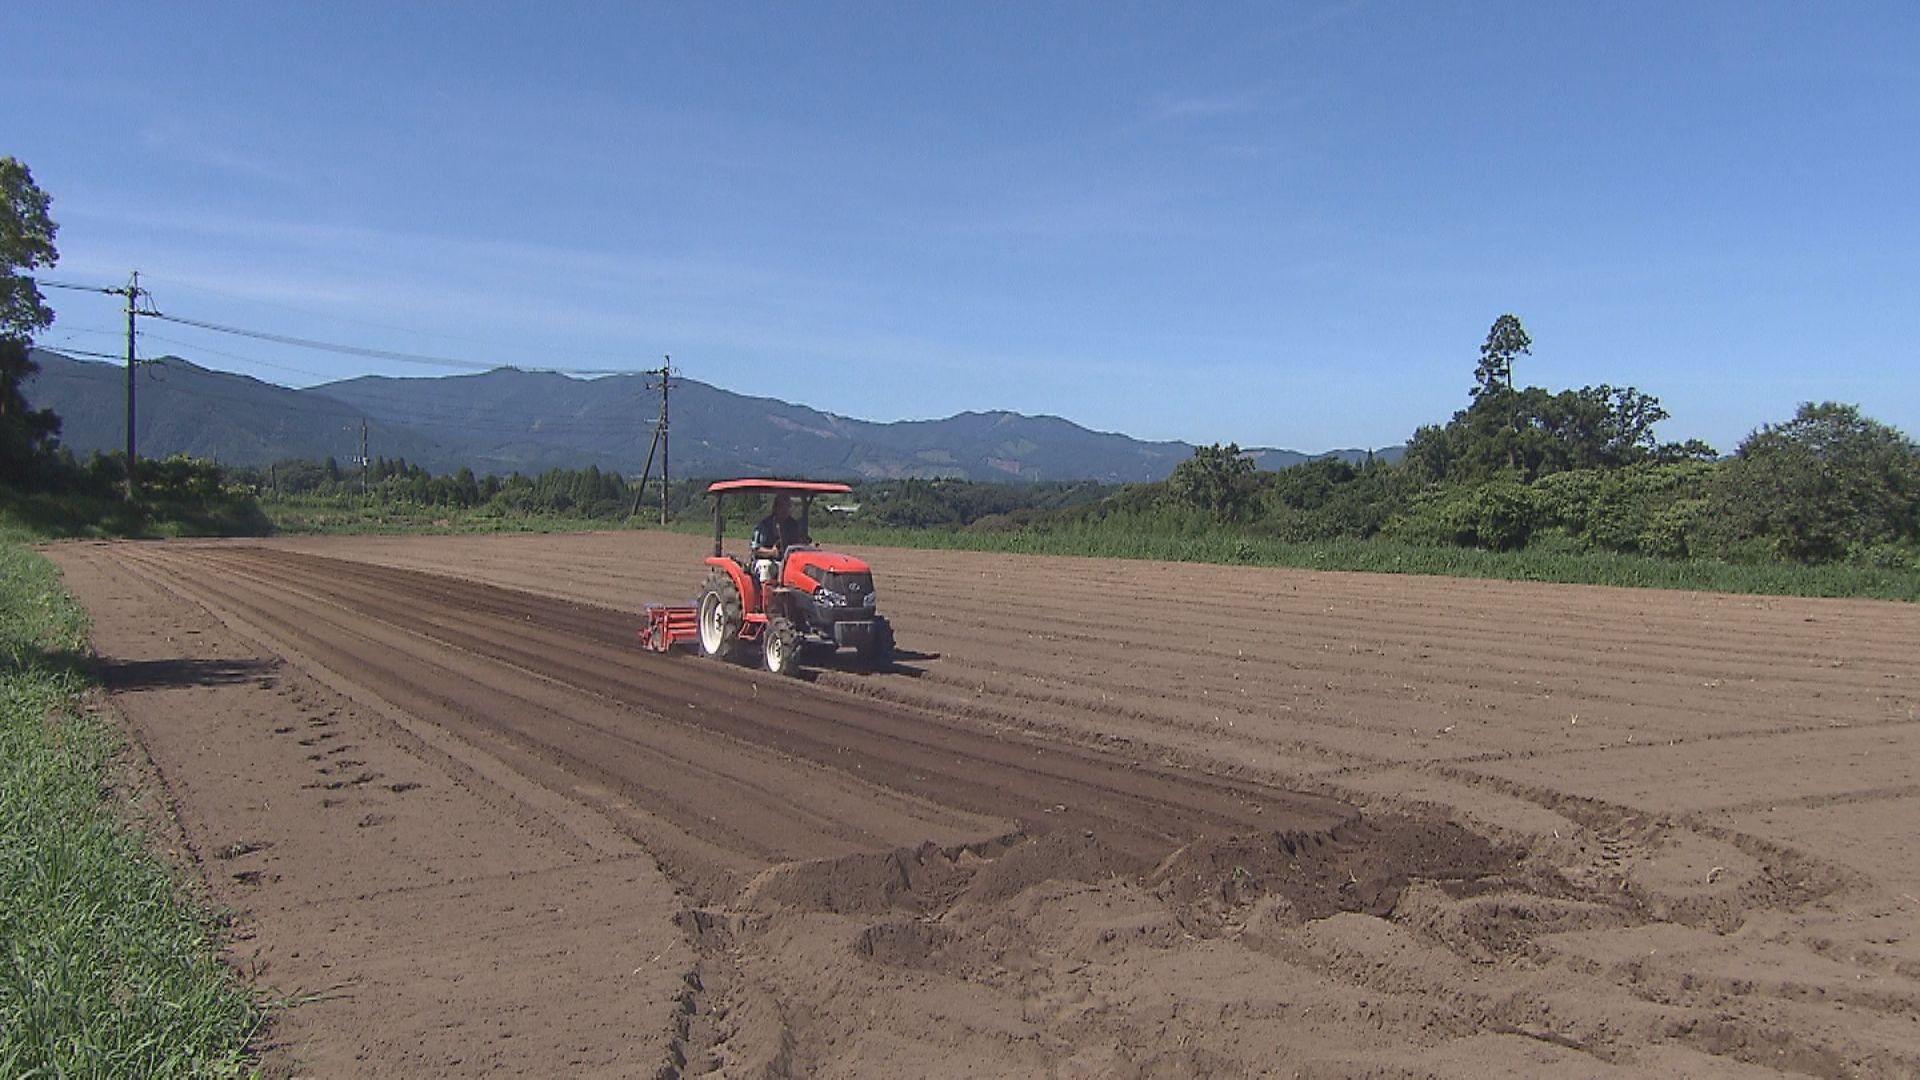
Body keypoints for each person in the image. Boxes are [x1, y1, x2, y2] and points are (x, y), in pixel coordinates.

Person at [751, 494, 807, 584]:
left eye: (788, 506)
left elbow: (799, 543)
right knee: (766, 566)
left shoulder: (793, 525)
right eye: (782, 506)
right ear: (775, 508)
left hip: (788, 562)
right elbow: (755, 549)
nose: (785, 509)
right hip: (767, 561)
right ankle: (766, 594)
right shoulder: (765, 525)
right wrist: (772, 552)